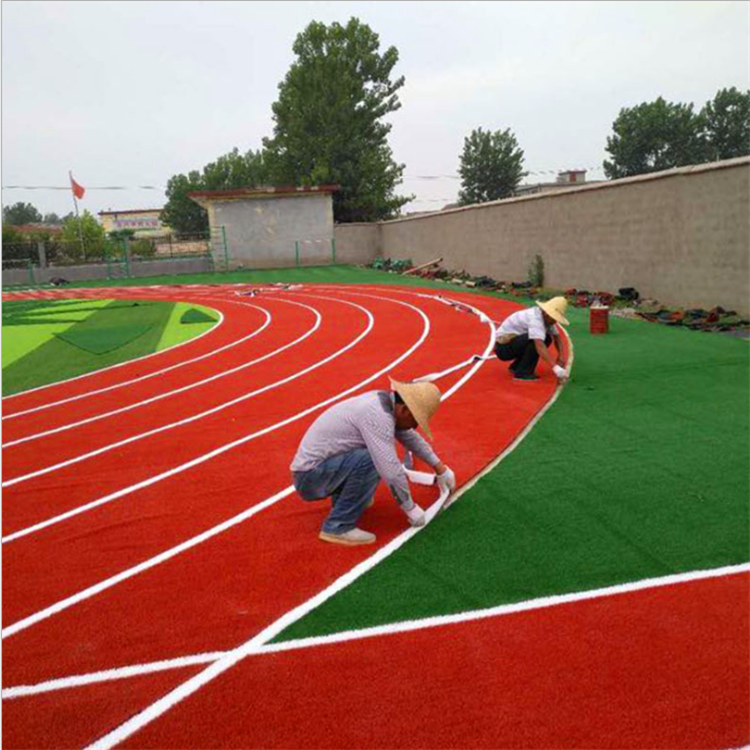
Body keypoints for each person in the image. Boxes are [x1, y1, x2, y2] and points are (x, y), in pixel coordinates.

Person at [290, 379, 456, 546]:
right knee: (372, 459)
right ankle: (338, 526)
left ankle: (347, 499)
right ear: (405, 410)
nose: (415, 427)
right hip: (310, 477)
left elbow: (409, 437)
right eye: (416, 422)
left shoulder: (387, 404)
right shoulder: (377, 415)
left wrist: (440, 468)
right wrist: (410, 508)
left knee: (371, 456)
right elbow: (390, 470)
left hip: (322, 469)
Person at [494, 296, 569, 382]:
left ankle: (517, 366)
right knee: (536, 340)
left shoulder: (547, 319)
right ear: (547, 314)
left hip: (514, 342)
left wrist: (561, 356)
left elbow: (557, 337)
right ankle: (523, 373)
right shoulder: (535, 319)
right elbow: (539, 345)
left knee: (546, 338)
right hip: (503, 347)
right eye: (554, 318)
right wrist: (556, 368)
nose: (555, 322)